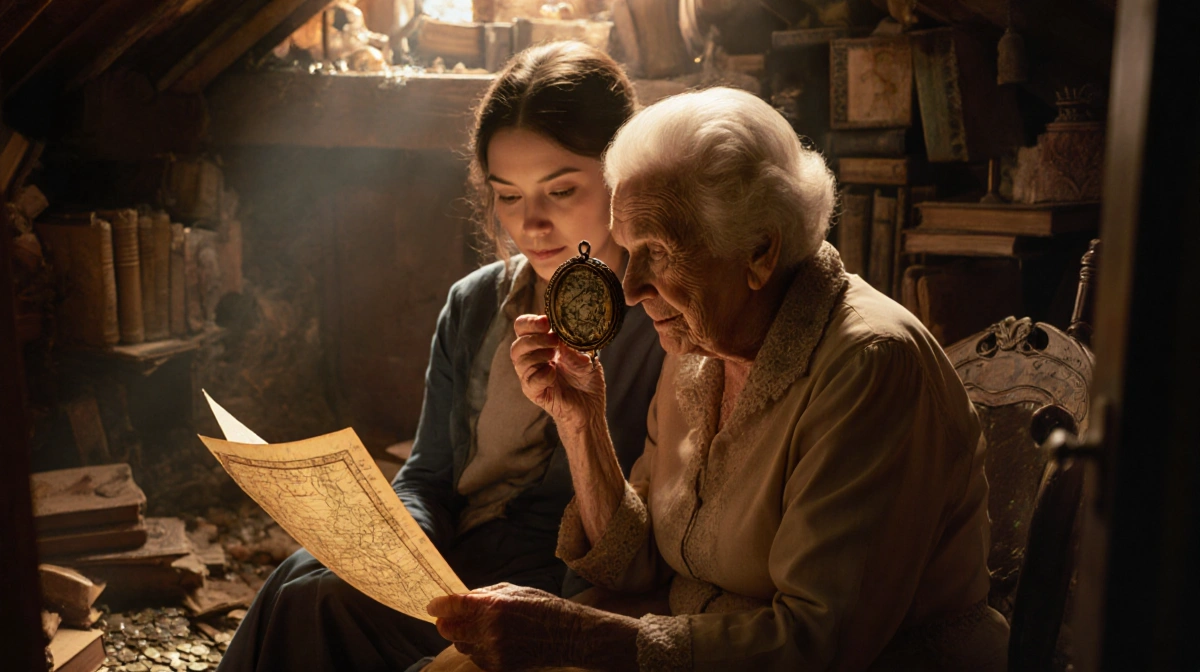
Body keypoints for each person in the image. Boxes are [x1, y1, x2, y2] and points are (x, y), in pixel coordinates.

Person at [424, 88, 1010, 671]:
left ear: (758, 251)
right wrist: (582, 424)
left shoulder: (870, 365)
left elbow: (819, 644)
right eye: (629, 251)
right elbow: (640, 564)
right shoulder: (701, 345)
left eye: (657, 251)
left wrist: (583, 639)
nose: (630, 288)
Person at [217, 42, 665, 672]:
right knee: (304, 578)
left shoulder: (662, 320)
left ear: (621, 177)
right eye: (507, 196)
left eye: (560, 190)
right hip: (452, 553)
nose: (530, 225)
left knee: (321, 609)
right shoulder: (476, 304)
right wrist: (396, 548)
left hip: (555, 586)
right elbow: (427, 472)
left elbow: (648, 541)